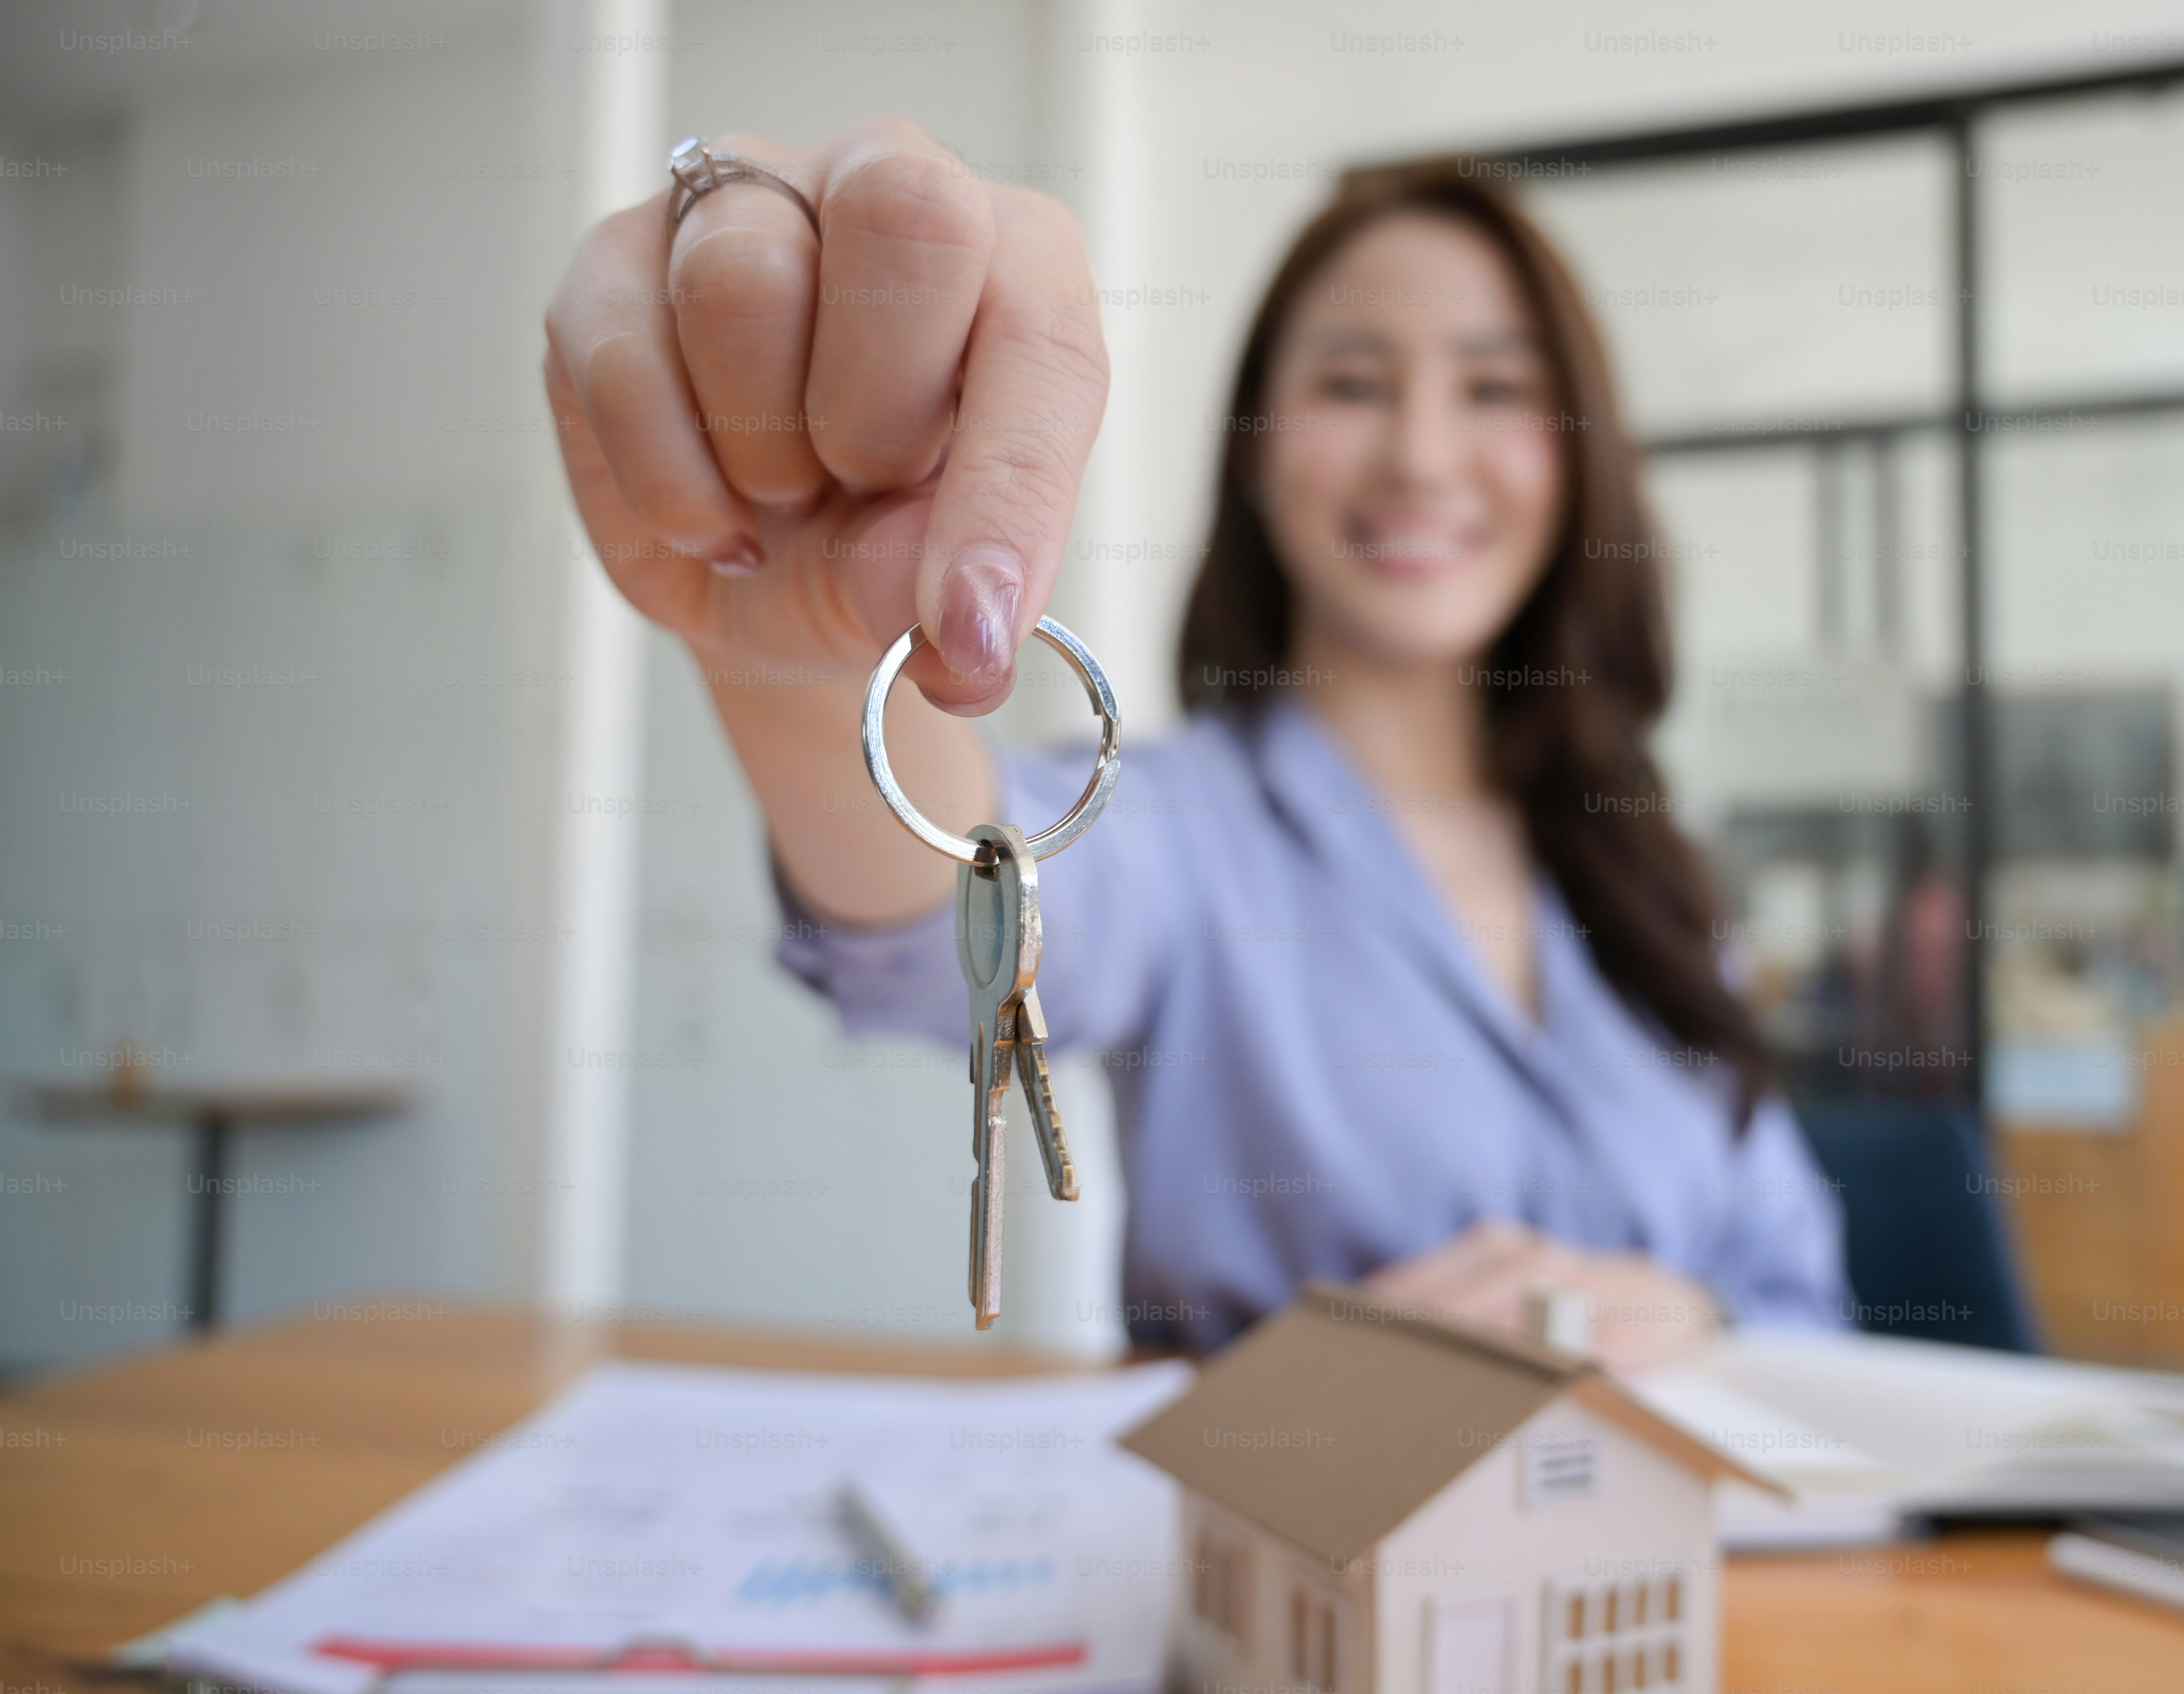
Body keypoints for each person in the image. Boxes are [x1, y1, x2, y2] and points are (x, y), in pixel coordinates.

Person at [542, 119, 1850, 1367]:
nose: (1422, 454)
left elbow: (1810, 1305)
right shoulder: (1178, 837)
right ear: (1259, 456)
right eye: (1352, 382)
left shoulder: (1646, 876)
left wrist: (1697, 1322)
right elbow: (948, 921)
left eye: (1495, 387)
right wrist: (798, 639)